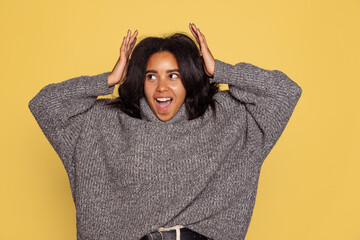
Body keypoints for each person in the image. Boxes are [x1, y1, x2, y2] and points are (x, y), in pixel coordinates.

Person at [28, 23, 302, 240]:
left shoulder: (228, 117)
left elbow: (286, 93)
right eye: (151, 76)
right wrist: (108, 79)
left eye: (174, 75)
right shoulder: (103, 122)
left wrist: (220, 70)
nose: (161, 87)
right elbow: (45, 106)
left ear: (190, 77)